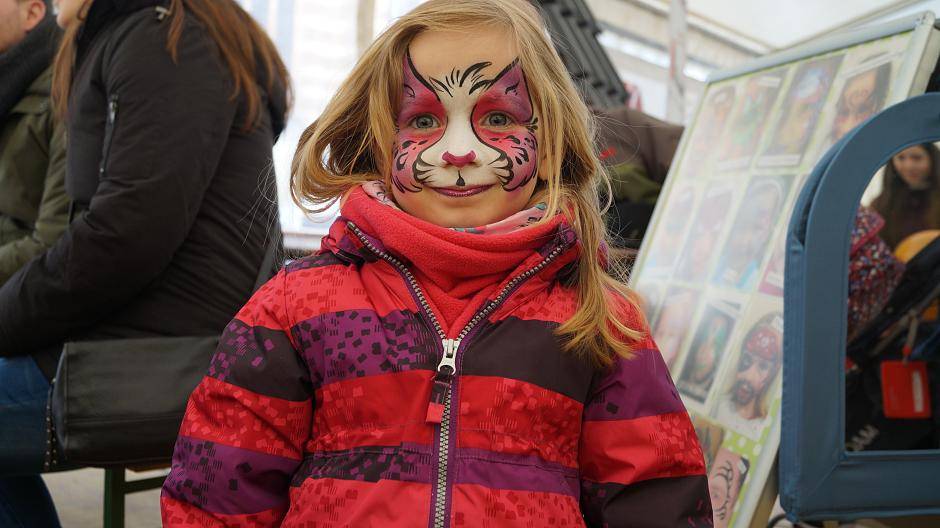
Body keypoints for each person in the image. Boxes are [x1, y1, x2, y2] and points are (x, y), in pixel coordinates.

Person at [160, 1, 713, 526]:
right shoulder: (295, 308)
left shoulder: (596, 319)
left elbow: (653, 497)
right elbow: (217, 492)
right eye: (422, 122)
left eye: (497, 116)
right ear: (380, 143)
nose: (458, 150)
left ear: (549, 147)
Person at [0, 0, 289, 525]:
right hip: (137, 341)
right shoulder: (155, 35)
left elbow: (124, 237)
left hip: (147, 361)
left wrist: (6, 318)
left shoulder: (169, 42)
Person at [0, 0, 67, 287]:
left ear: (32, 13)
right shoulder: (10, 87)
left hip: (24, 296)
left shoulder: (63, 90)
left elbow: (55, 241)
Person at [872, 143, 940, 249]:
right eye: (901, 158)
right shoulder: (880, 204)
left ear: (933, 159)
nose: (908, 166)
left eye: (917, 158)